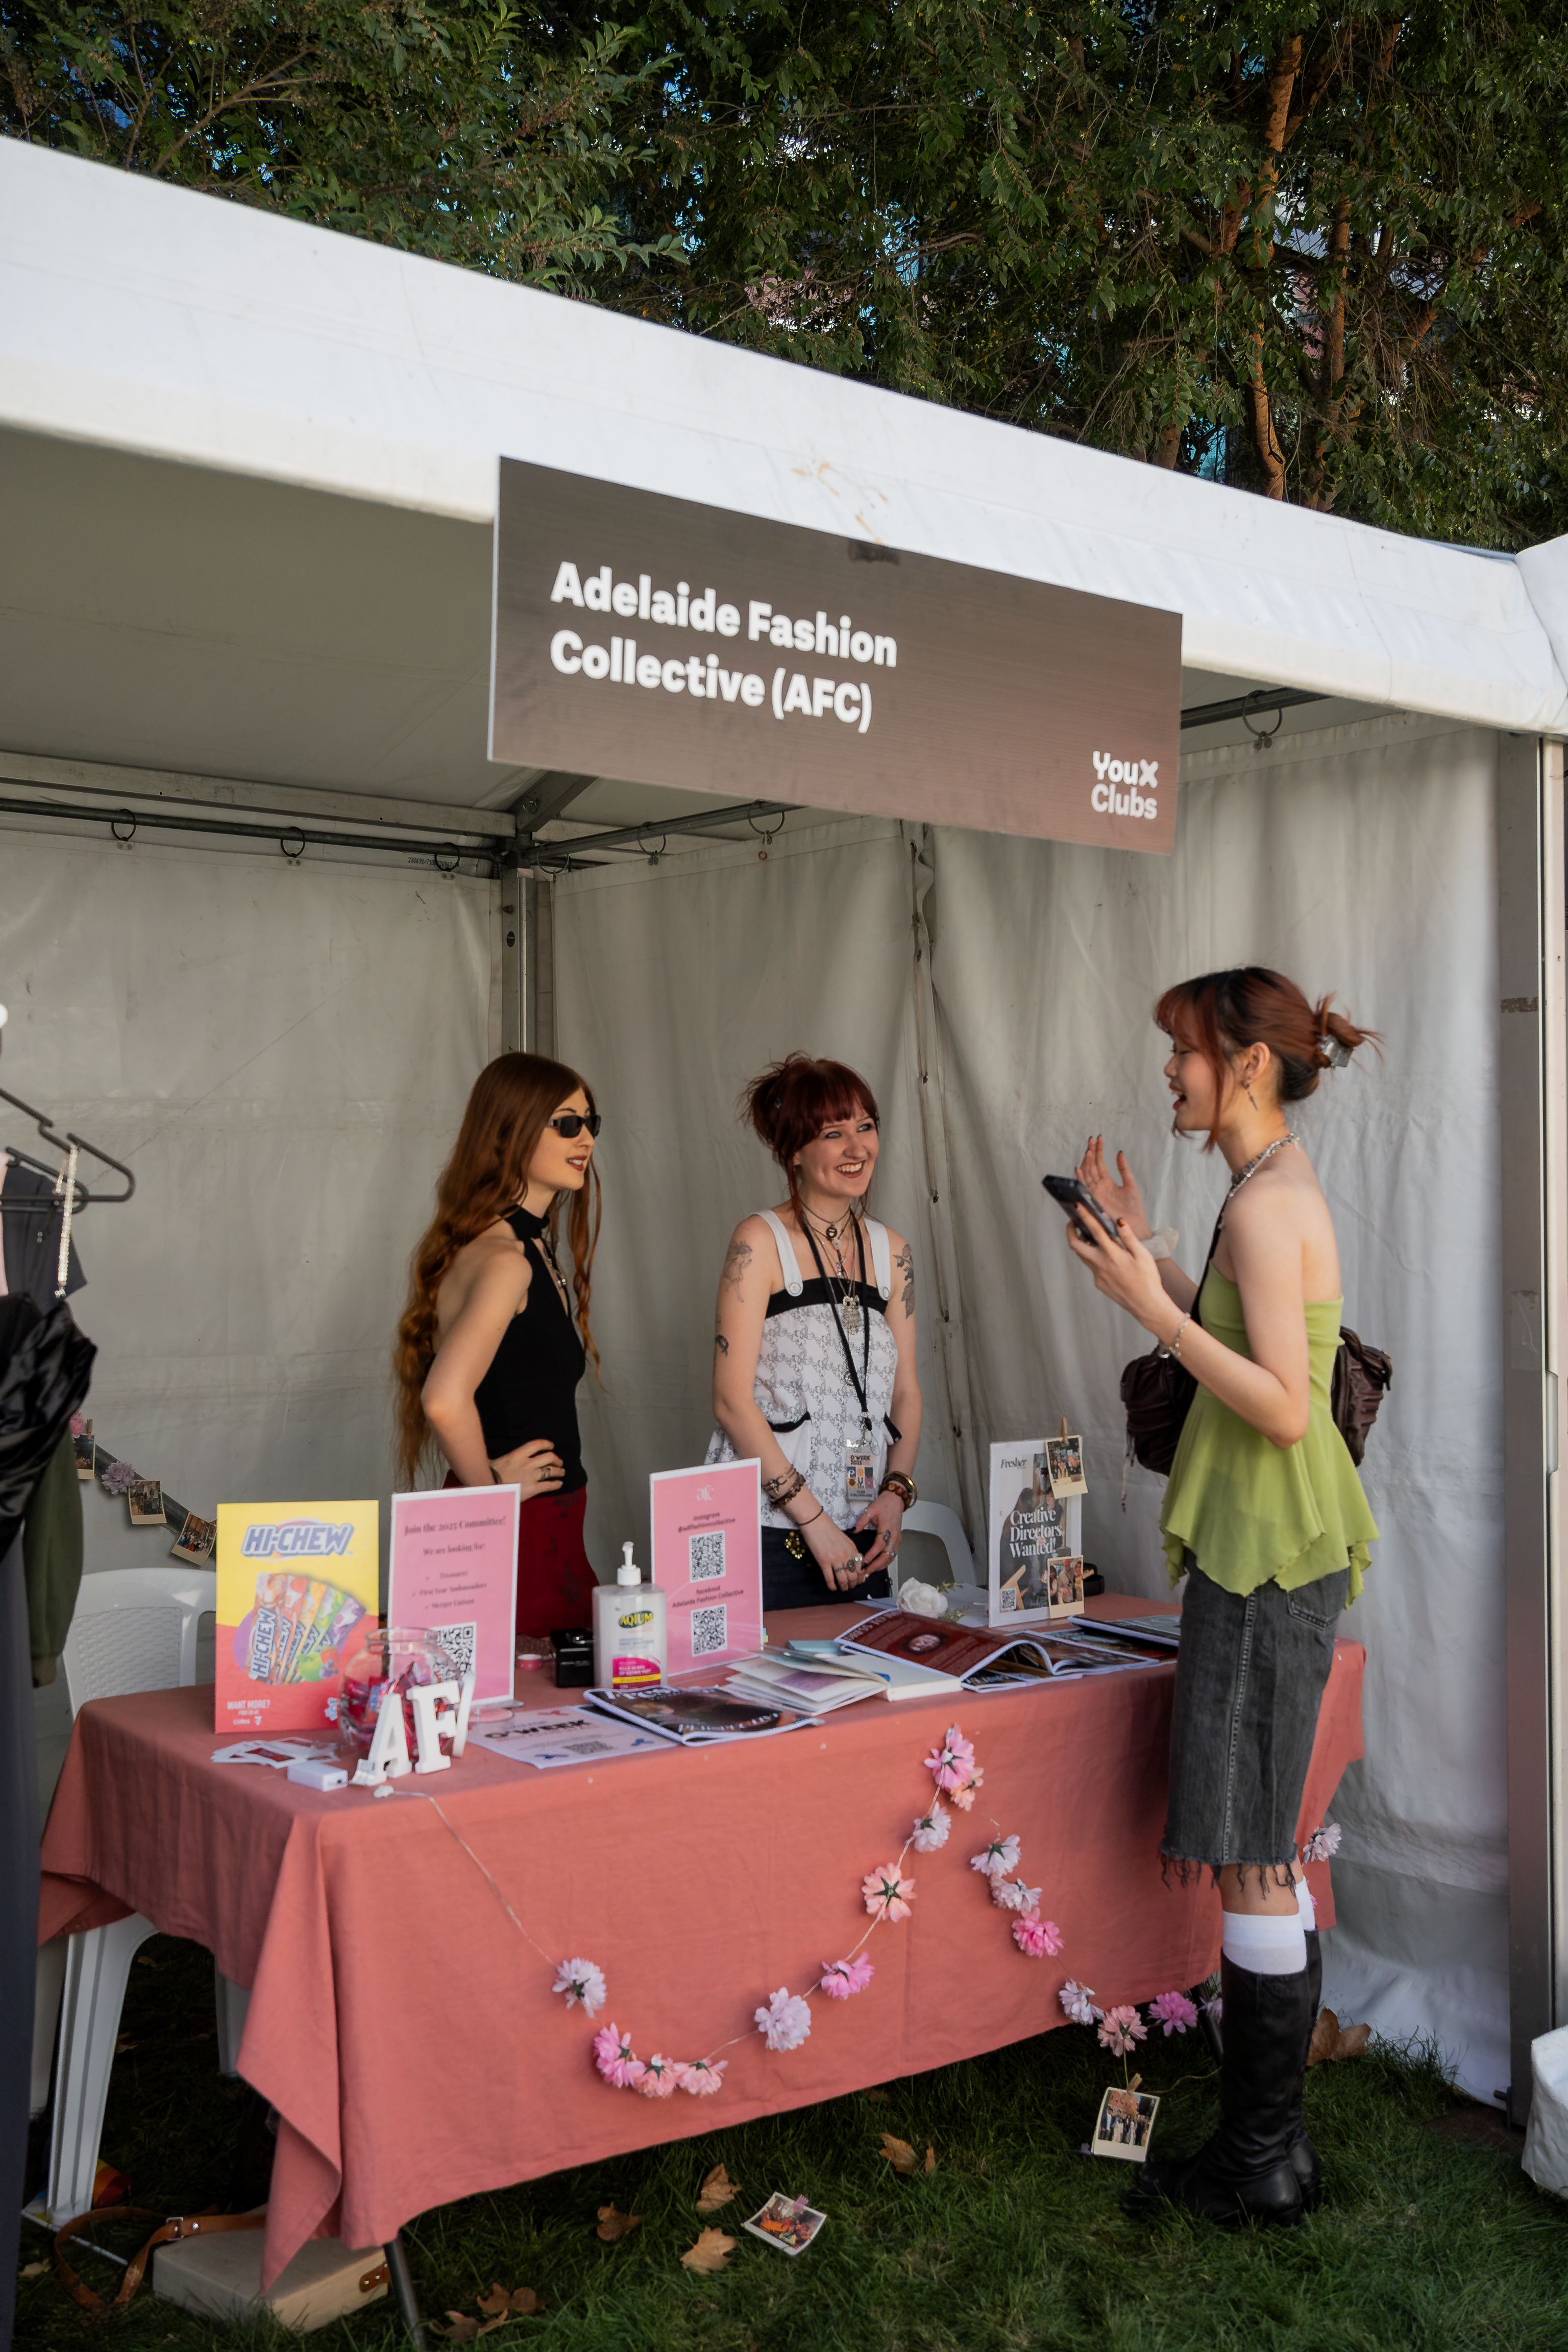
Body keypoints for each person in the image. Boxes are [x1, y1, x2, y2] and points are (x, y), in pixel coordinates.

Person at [1056, 966, 1379, 2228]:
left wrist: (1150, 1313)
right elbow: (1263, 1340)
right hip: (1271, 1548)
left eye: (1183, 1051)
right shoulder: (1261, 1184)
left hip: (1263, 1553)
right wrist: (1156, 1266)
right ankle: (1268, 2152)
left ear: (1244, 1061)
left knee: (1251, 1858)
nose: (1168, 1073)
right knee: (1261, 1854)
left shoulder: (1266, 1196)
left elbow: (1285, 1407)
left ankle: (1257, 2161)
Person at [394, 1052, 602, 1637]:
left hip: (546, 1531)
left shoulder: (523, 1248)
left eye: (590, 1122)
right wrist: (491, 1499)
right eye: (565, 1123)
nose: (584, 1137)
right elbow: (444, 1399)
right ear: (510, 1131)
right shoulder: (507, 1259)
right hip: (522, 1539)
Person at [708, 1054, 922, 1610]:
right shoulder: (760, 1241)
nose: (857, 1149)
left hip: (863, 1525)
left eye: (865, 1127)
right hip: (768, 1529)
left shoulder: (892, 1250)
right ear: (794, 1151)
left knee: (867, 1689)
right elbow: (731, 1401)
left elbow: (907, 1390)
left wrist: (897, 1492)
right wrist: (814, 1522)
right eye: (833, 1133)